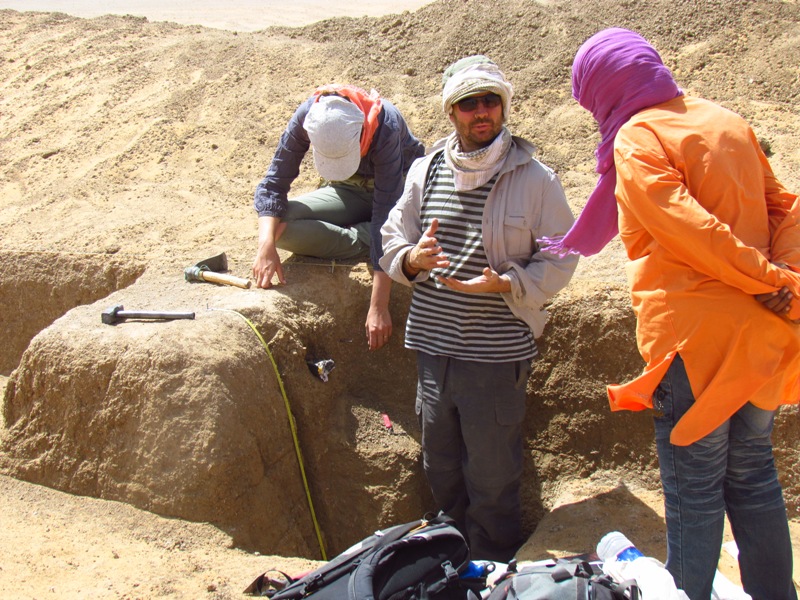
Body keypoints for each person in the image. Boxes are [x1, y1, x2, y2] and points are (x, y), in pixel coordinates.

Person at [541, 27, 800, 600]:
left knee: (696, 494)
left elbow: (688, 231)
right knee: (755, 478)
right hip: (762, 339)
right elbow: (787, 207)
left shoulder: (638, 138)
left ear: (605, 89)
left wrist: (769, 279)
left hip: (693, 347)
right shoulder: (726, 120)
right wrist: (784, 278)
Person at [380, 56, 578, 561]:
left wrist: (506, 284)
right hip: (432, 347)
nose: (482, 112)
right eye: (469, 103)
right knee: (441, 465)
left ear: (504, 106)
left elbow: (562, 255)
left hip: (495, 354)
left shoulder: (535, 179)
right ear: (452, 113)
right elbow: (391, 239)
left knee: (492, 474)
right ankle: (451, 559)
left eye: (491, 100)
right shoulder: (425, 171)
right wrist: (411, 258)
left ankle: (492, 569)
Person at [252, 84, 425, 350]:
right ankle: (362, 235)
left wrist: (378, 307)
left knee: (382, 229)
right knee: (279, 227)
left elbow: (385, 211)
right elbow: (274, 184)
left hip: (398, 194)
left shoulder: (384, 124)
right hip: (347, 190)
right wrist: (265, 247)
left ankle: (369, 239)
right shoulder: (309, 116)